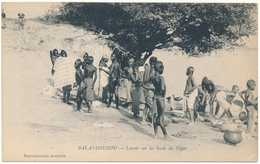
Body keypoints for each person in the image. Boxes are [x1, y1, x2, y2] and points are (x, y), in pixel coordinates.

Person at [143, 61, 168, 139]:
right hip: (161, 98)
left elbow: (144, 83)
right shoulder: (161, 78)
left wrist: (152, 88)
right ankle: (166, 135)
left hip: (154, 98)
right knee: (161, 118)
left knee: (154, 116)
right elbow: (163, 88)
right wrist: (161, 91)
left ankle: (156, 134)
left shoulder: (152, 78)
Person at [142, 57, 157, 125]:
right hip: (150, 89)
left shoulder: (147, 68)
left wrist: (143, 84)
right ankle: (151, 122)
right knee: (151, 106)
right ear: (153, 63)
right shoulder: (153, 70)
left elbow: (146, 79)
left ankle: (143, 119)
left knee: (147, 105)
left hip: (147, 88)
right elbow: (150, 79)